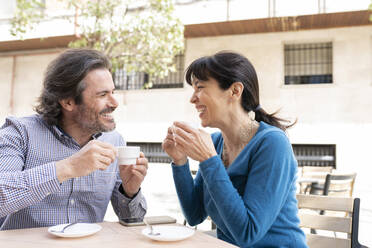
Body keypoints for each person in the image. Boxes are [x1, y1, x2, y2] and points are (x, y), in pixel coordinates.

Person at [162, 51, 308, 247]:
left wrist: (209, 161)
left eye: (200, 87)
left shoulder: (272, 144)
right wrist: (180, 162)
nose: (192, 99)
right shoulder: (215, 143)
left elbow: (247, 233)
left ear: (235, 91)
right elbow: (195, 215)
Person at [0, 49, 147, 230]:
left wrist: (130, 191)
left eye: (113, 92)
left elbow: (134, 222)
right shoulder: (20, 133)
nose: (115, 102)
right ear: (68, 101)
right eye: (102, 95)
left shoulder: (114, 141)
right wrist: (67, 168)